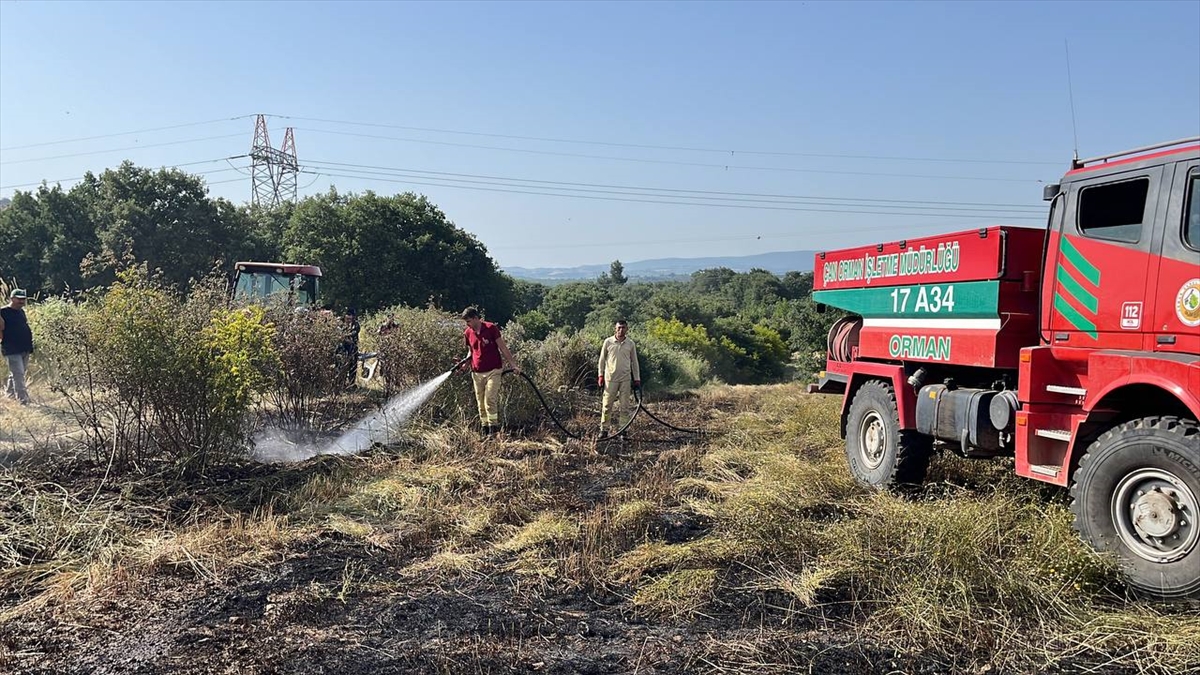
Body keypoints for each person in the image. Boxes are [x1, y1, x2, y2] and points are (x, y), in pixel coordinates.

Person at [458, 306, 519, 435]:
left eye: (468, 321)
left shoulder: (491, 328)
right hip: (476, 372)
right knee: (480, 404)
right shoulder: (468, 332)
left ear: (475, 318)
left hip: (493, 370)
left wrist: (513, 365)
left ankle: (493, 431)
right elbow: (471, 351)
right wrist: (465, 365)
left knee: (490, 399)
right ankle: (485, 431)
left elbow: (503, 347)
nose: (467, 324)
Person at [597, 319, 641, 436]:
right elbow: (601, 360)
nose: (621, 330)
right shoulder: (608, 342)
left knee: (624, 406)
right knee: (606, 405)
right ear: (615, 329)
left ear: (627, 329)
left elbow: (634, 362)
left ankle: (623, 430)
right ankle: (604, 429)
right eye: (619, 328)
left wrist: (637, 379)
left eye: (623, 328)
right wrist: (600, 375)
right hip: (610, 378)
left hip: (625, 379)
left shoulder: (630, 344)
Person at [0, 288, 34, 405]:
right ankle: (23, 400)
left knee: (18, 373)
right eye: (18, 299)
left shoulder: (21, 312)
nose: (21, 301)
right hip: (11, 348)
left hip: (24, 347)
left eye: (23, 299)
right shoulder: (2, 312)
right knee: (18, 374)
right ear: (12, 299)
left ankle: (9, 394)